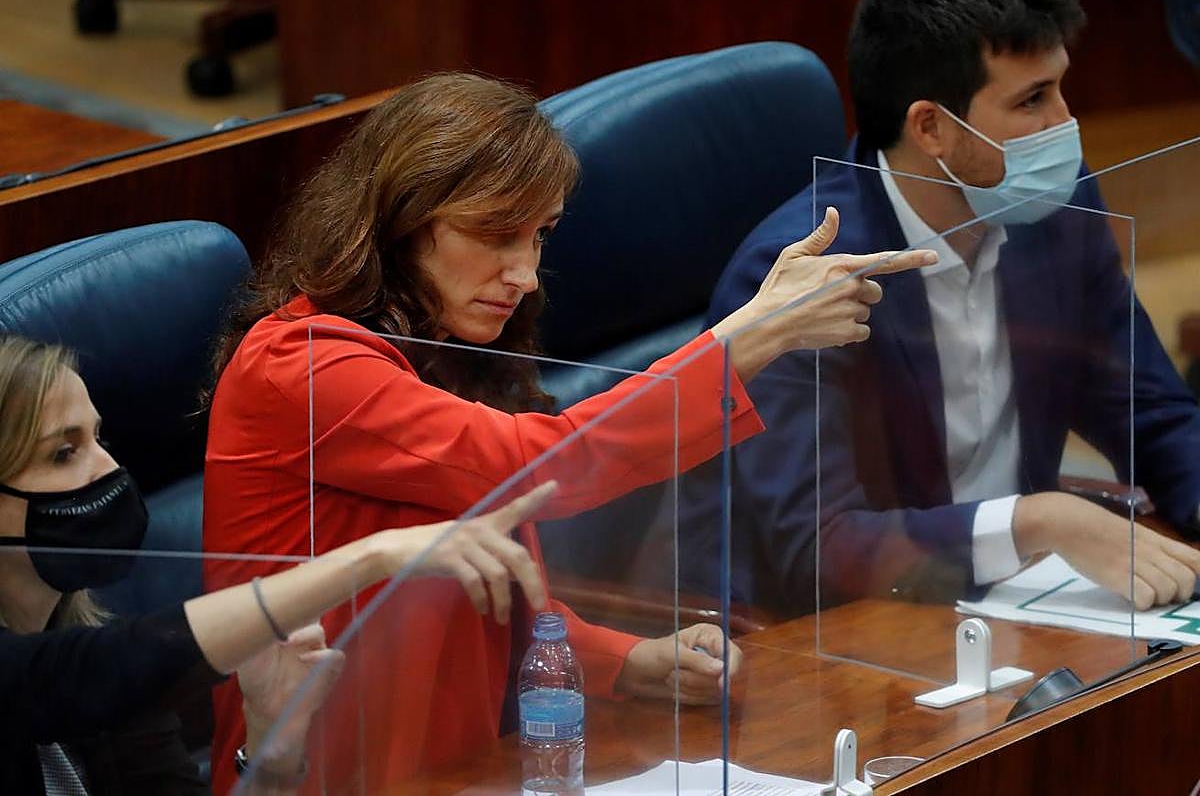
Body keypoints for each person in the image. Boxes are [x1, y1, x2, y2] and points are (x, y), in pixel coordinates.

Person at [200, 72, 936, 789]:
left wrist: (622, 659)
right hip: (317, 773)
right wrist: (744, 340)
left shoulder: (443, 344)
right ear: (399, 220)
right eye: (494, 234)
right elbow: (530, 467)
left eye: (541, 234)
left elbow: (488, 588)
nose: (524, 273)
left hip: (463, 765)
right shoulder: (295, 364)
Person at [682, 0, 1200, 618]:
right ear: (931, 128)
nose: (1066, 126)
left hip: (1030, 601)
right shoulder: (798, 279)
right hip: (858, 633)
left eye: (1061, 88)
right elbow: (817, 546)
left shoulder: (1057, 211)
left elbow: (1149, 410)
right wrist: (1035, 521)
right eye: (1032, 100)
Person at [0, 335, 562, 793]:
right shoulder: (96, 671)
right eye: (63, 453)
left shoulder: (111, 677)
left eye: (100, 438)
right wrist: (371, 557)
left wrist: (271, 752)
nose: (110, 468)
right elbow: (79, 677)